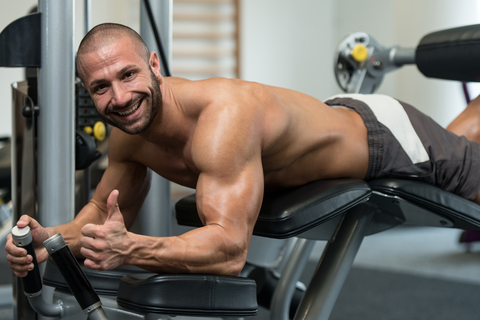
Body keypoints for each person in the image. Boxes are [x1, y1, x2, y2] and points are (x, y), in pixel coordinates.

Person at [5, 23, 480, 277]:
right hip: (340, 116)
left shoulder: (222, 117)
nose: (120, 98)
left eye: (128, 75)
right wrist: (50, 240)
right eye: (101, 87)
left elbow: (230, 250)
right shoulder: (129, 133)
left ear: (154, 64)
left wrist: (132, 250)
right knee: (463, 140)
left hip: (387, 137)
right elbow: (101, 208)